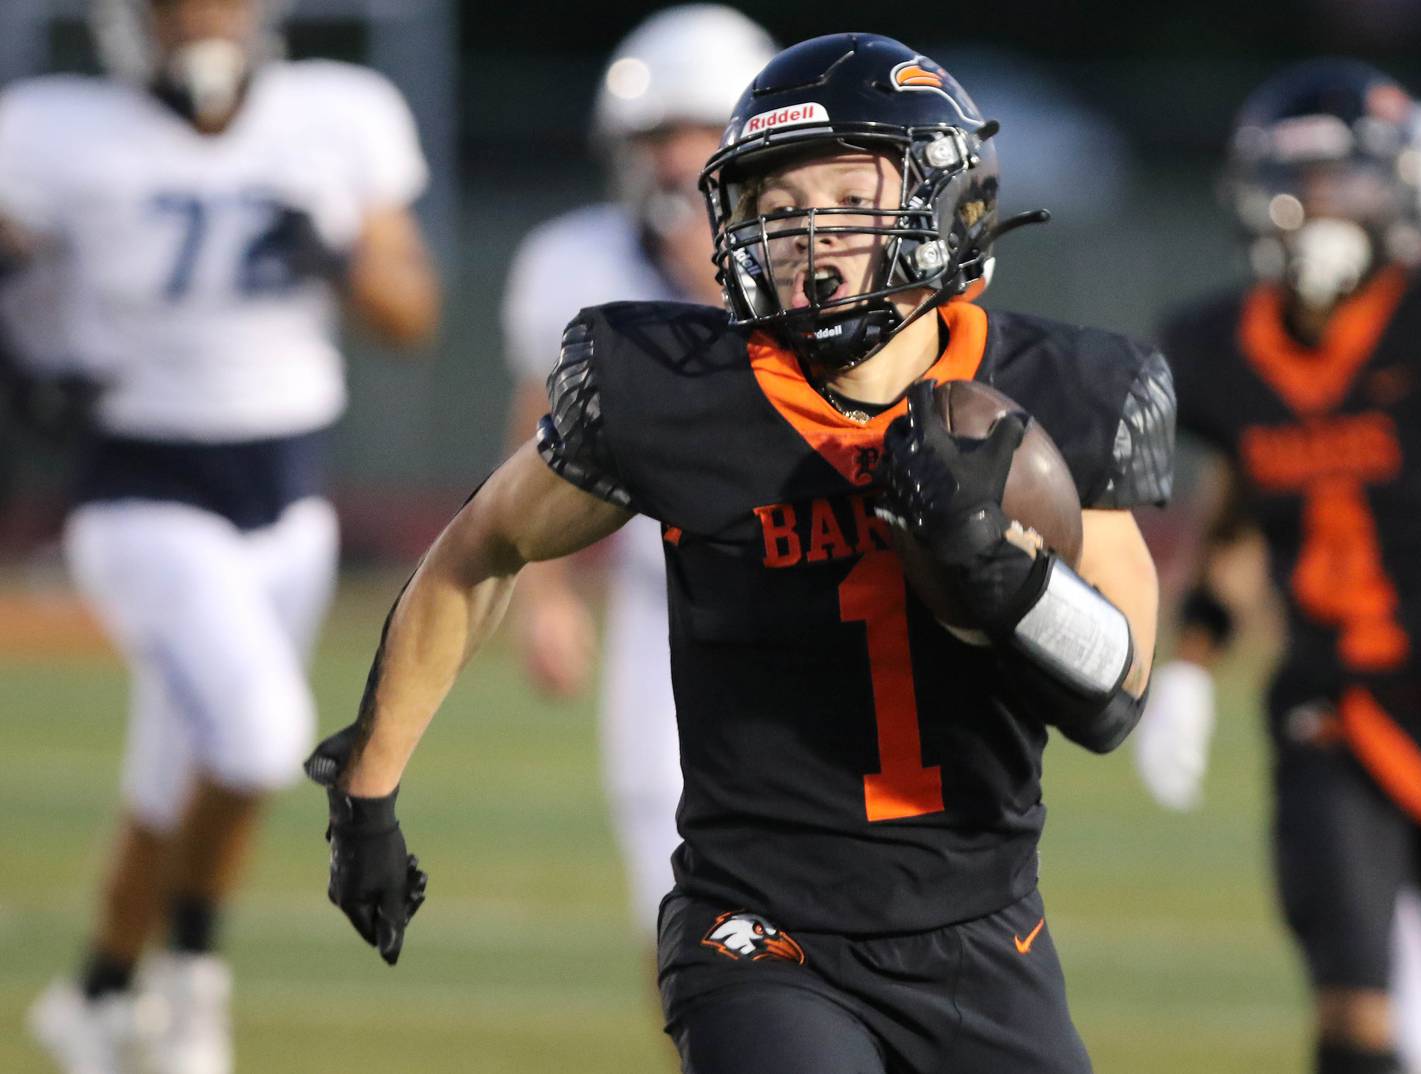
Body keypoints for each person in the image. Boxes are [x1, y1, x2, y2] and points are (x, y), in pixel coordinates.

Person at [306, 33, 1172, 1073]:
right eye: (774, 205)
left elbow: (1117, 693)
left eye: (845, 197)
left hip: (985, 932)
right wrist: (367, 789)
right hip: (760, 931)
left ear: (944, 196)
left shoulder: (1054, 393)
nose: (806, 234)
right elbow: (481, 542)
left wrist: (1006, 580)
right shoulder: (678, 391)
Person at [1, 1, 440, 1072]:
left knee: (170, 778)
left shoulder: (338, 114)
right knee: (255, 735)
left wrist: (337, 256)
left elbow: (412, 313)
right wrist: (22, 369)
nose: (203, 18)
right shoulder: (53, 130)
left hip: (290, 502)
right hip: (138, 486)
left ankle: (95, 996)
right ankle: (192, 980)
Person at [1137, 60, 1421, 1074]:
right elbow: (1237, 517)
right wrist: (1190, 661)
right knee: (1356, 1015)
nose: (1315, 207)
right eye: (1295, 181)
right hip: (1333, 710)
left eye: (1343, 179)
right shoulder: (1218, 347)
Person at [500, 4, 776, 939]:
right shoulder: (573, 258)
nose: (670, 159)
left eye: (694, 132)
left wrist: (719, 269)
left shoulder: (824, 256)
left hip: (821, 589)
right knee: (677, 911)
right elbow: (540, 432)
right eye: (655, 136)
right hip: (661, 607)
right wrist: (543, 593)